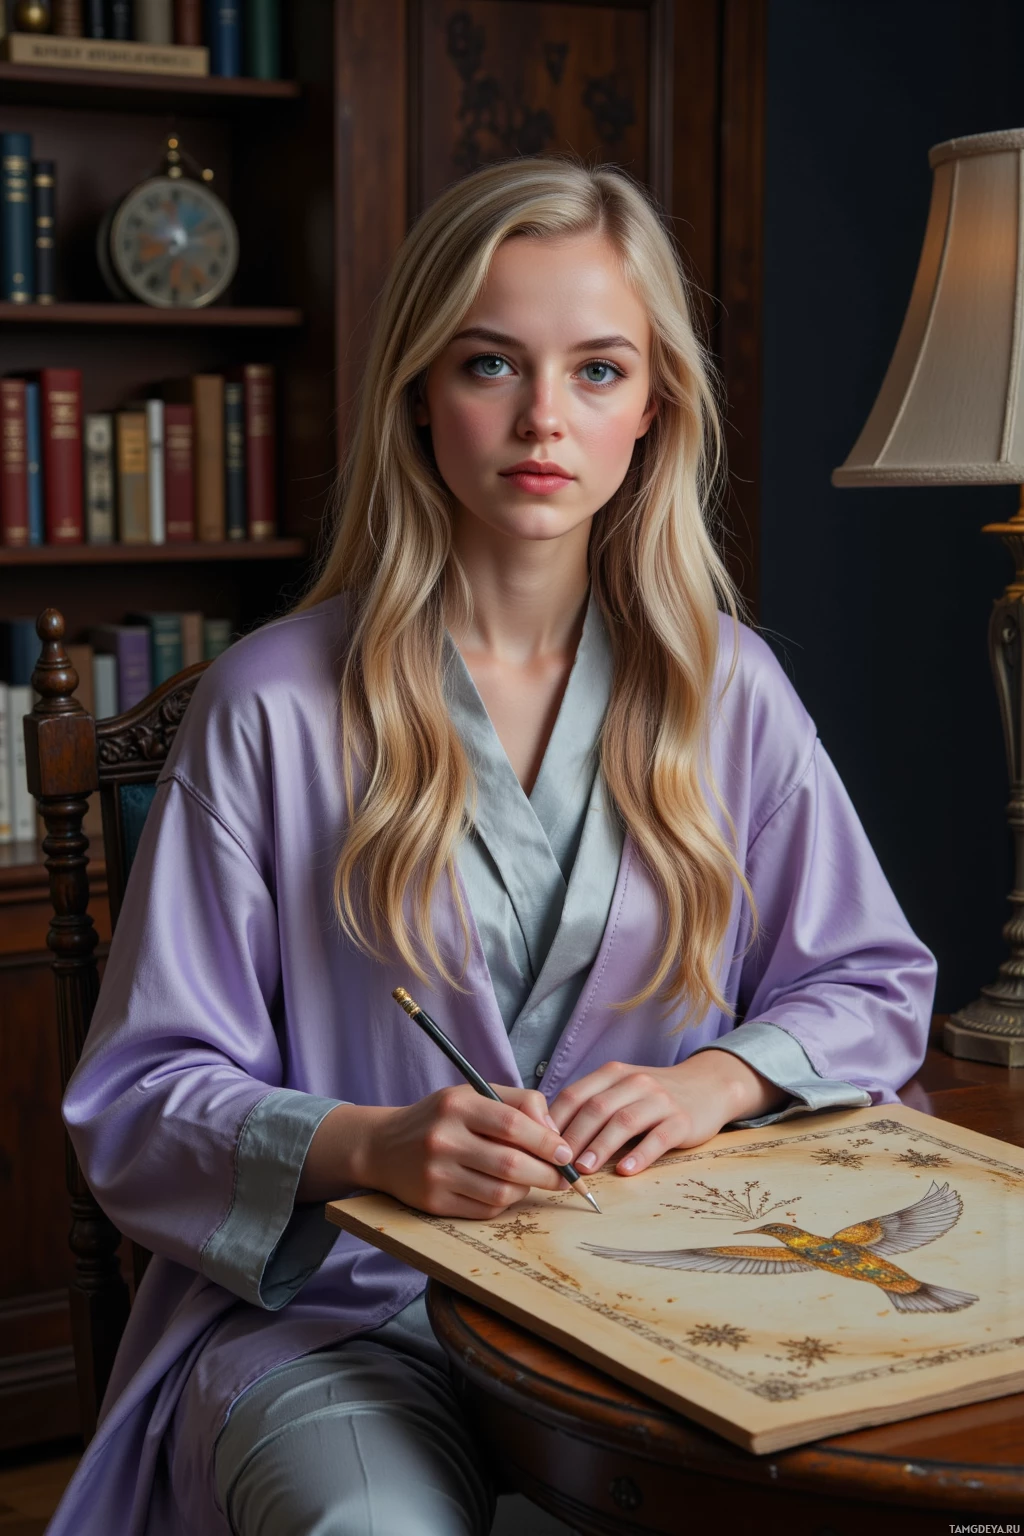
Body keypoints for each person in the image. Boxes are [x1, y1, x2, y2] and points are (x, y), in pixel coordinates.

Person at [46, 157, 936, 1536]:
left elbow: (870, 984)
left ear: (655, 408)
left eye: (596, 370)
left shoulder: (729, 688)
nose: (542, 418)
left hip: (667, 1316)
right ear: (419, 388)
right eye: (489, 363)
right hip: (342, 1317)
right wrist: (370, 1143)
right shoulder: (270, 705)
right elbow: (141, 1094)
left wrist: (714, 1079)